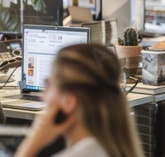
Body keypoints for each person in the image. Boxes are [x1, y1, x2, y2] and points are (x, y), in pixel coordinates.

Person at [15, 44, 144, 157]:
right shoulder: (117, 149)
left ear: (69, 102)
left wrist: (34, 141)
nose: (43, 95)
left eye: (48, 85)